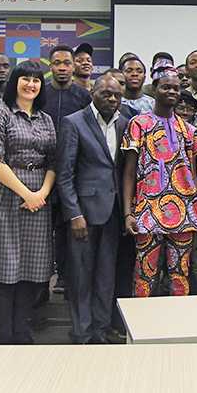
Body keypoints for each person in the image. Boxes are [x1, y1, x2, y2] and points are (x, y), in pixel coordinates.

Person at [0, 61, 57, 345]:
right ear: (15, 82)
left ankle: (21, 331)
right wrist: (27, 194)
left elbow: (53, 161)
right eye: (25, 79)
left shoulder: (46, 120)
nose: (31, 84)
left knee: (29, 268)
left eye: (36, 80)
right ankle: (6, 335)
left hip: (39, 196)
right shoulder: (1, 114)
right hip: (6, 194)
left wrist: (41, 193)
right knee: (4, 268)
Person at [122, 61, 197, 297]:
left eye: (176, 88)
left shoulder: (188, 130)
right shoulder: (138, 124)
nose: (172, 92)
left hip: (183, 210)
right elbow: (129, 171)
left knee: (180, 275)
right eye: (165, 87)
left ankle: (178, 320)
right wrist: (128, 213)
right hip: (147, 210)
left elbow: (193, 173)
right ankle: (141, 319)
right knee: (144, 274)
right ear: (154, 88)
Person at [56, 76, 130, 344]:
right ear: (92, 93)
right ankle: (82, 333)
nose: (112, 99)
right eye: (107, 94)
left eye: (117, 95)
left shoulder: (125, 123)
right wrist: (74, 214)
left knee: (105, 276)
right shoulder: (73, 122)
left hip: (113, 212)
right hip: (84, 213)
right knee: (81, 276)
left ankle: (100, 330)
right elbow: (65, 174)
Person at [44, 45, 93, 298]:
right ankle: (40, 281)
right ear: (50, 66)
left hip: (72, 171)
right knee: (43, 228)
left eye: (66, 63)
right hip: (42, 171)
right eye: (57, 63)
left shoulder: (83, 96)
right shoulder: (41, 93)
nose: (62, 68)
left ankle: (64, 277)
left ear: (74, 66)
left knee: (66, 227)